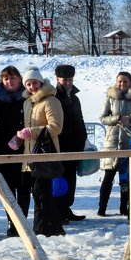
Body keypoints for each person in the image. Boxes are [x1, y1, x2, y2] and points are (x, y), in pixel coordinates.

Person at [12, 68, 65, 237]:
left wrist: (31, 132)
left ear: (41, 82)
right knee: (37, 193)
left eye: (35, 82)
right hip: (30, 156)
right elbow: (28, 128)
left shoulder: (50, 101)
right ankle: (48, 227)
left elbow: (56, 127)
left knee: (42, 193)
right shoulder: (27, 102)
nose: (32, 86)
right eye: (28, 84)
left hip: (45, 154)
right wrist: (19, 138)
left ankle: (45, 229)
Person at [0, 66, 31, 236]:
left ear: (19, 79)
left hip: (24, 148)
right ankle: (12, 222)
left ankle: (22, 222)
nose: (10, 82)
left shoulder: (27, 97)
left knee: (24, 187)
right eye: (6, 79)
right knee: (6, 189)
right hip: (1, 150)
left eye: (13, 78)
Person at [97, 71, 131, 217]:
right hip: (112, 141)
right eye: (119, 81)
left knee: (126, 178)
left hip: (129, 141)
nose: (122, 84)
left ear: (130, 83)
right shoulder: (110, 96)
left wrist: (130, 119)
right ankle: (102, 207)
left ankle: (124, 208)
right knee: (108, 176)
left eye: (125, 81)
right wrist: (117, 118)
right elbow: (102, 118)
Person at [53, 64, 87, 222]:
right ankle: (58, 210)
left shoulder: (75, 97)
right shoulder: (54, 97)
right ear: (58, 79)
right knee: (60, 180)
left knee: (71, 179)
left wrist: (83, 139)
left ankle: (66, 208)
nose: (67, 83)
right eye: (64, 79)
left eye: (70, 79)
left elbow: (79, 120)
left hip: (75, 145)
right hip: (60, 145)